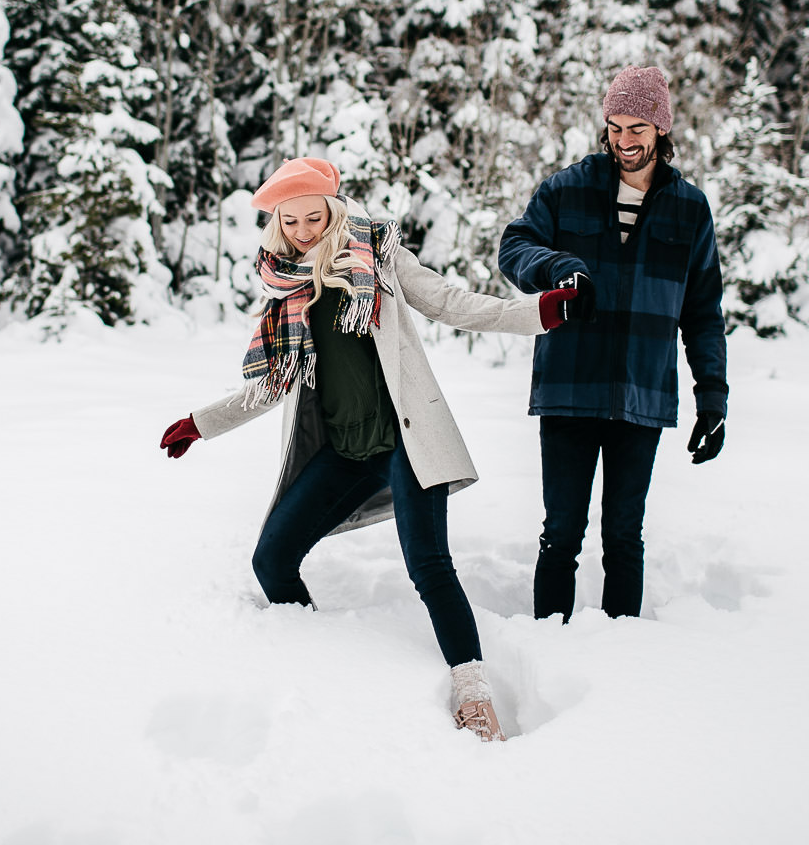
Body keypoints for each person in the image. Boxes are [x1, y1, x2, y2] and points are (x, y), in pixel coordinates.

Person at [158, 157, 577, 741]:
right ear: (277, 223)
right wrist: (201, 423)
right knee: (271, 561)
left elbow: (450, 303)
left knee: (429, 565)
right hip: (345, 452)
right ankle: (316, 662)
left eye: (314, 216)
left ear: (333, 208)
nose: (305, 230)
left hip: (406, 441)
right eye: (292, 220)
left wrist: (535, 312)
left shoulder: (377, 257)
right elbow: (271, 384)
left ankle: (473, 690)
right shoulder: (285, 290)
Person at [497, 65, 729, 621]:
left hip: (640, 394)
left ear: (661, 131)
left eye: (637, 129)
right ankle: (548, 648)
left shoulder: (690, 208)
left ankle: (623, 664)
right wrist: (556, 267)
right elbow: (515, 245)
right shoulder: (566, 188)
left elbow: (702, 313)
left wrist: (713, 398)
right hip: (569, 386)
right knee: (562, 533)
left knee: (625, 535)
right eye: (615, 127)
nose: (624, 141)